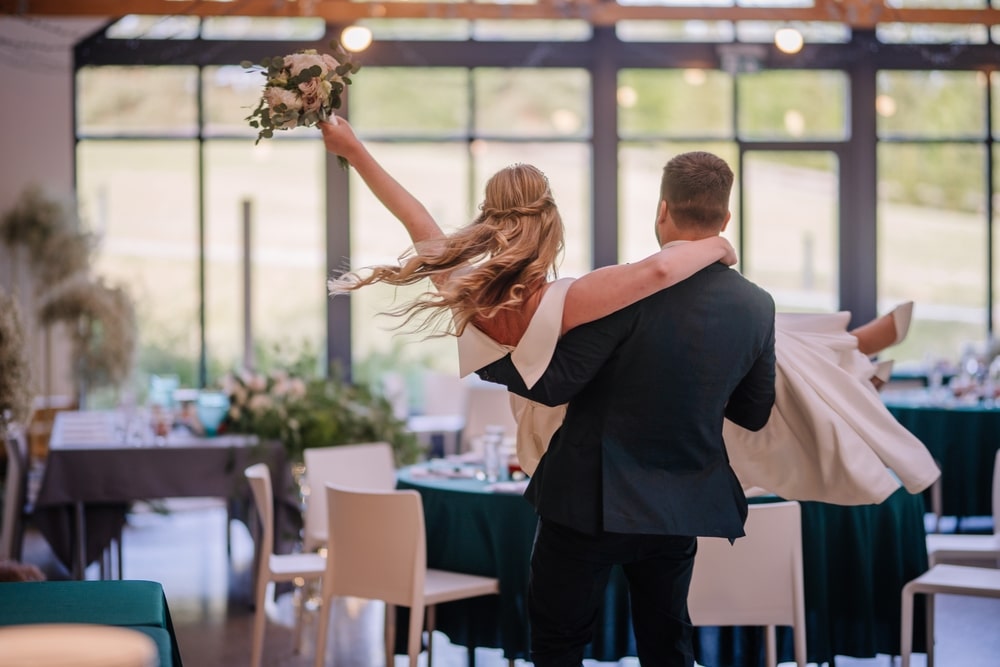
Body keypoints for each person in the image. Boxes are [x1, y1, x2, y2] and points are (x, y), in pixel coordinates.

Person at [319, 117, 938, 506]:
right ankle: (851, 349)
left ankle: (851, 345)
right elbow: (664, 269)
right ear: (551, 225)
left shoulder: (471, 290)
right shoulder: (568, 297)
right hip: (577, 421)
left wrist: (354, 149)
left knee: (734, 329)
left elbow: (415, 216)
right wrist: (721, 246)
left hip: (553, 413)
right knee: (727, 327)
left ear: (486, 221)